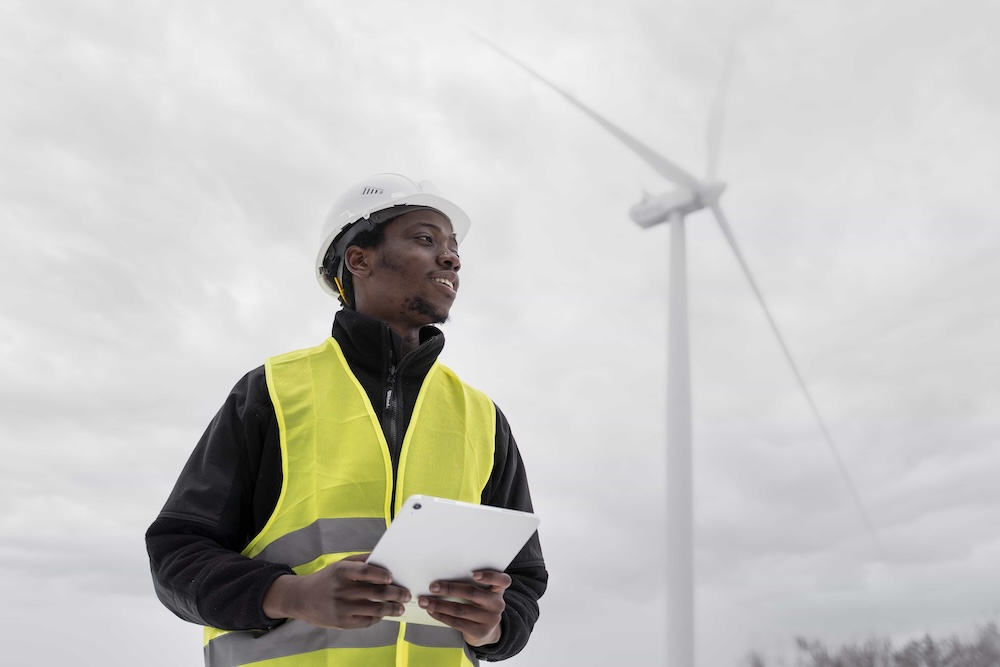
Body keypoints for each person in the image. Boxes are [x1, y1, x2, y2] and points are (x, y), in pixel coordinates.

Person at [146, 173, 547, 667]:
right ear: (359, 259)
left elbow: (524, 581)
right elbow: (176, 555)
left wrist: (496, 625)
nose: (452, 258)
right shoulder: (272, 392)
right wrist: (289, 595)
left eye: (453, 247)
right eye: (426, 239)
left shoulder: (483, 418)